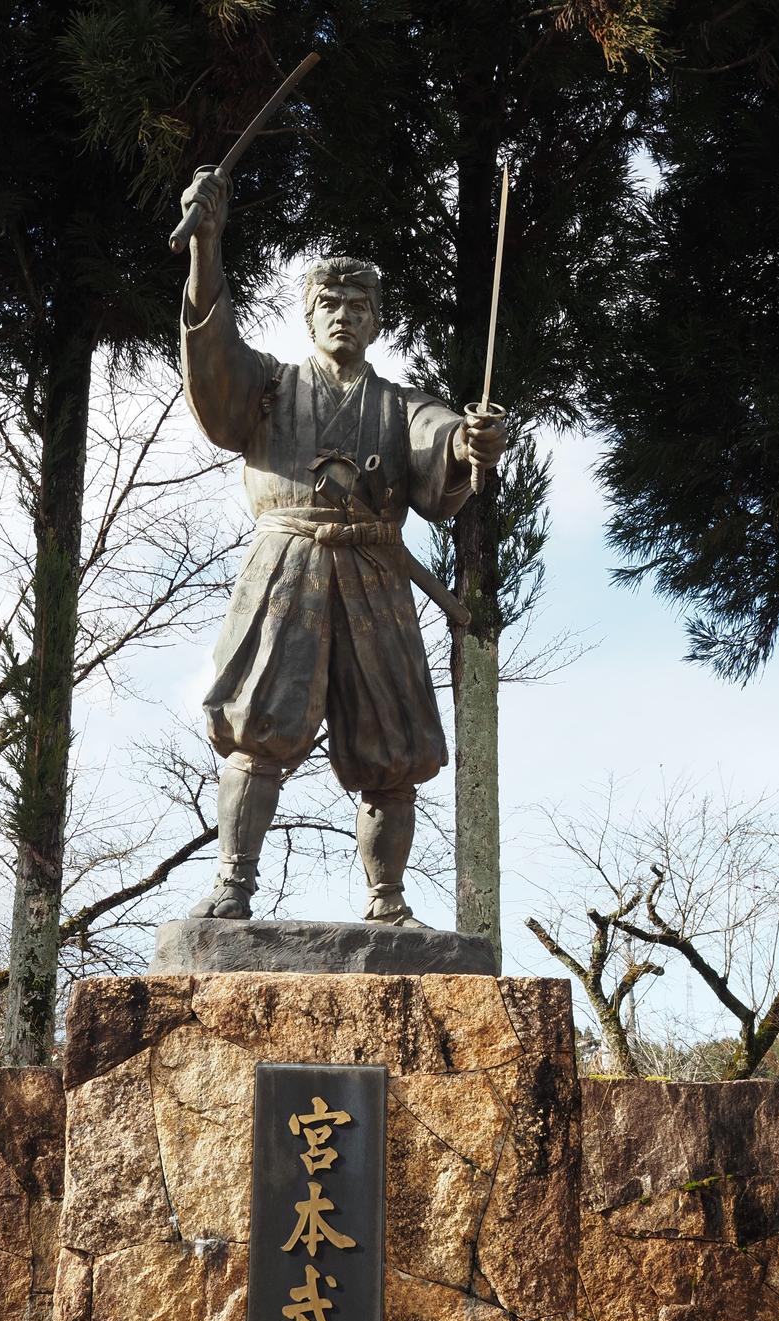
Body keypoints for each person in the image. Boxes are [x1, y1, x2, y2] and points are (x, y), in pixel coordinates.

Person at [180, 165, 506, 925]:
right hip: (286, 567)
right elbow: (213, 359)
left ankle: (388, 902)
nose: (344, 317)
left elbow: (441, 441)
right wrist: (206, 248)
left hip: (373, 574)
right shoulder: (269, 388)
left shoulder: (398, 405)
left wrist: (470, 444)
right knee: (257, 725)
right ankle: (233, 886)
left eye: (360, 307)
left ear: (377, 323)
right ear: (309, 315)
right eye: (330, 304)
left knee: (392, 748)